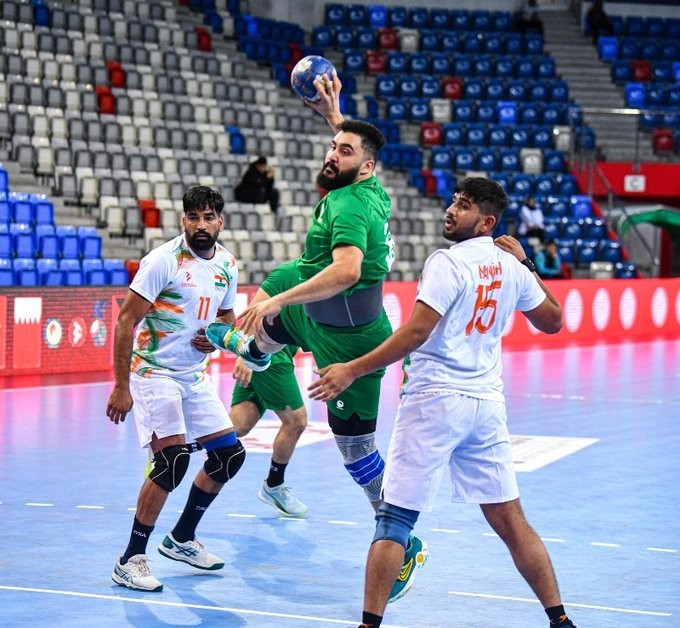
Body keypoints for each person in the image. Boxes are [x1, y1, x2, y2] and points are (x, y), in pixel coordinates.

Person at [308, 178, 577, 628]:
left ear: (486, 222)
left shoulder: (447, 263)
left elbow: (416, 332)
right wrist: (527, 264)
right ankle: (561, 620)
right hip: (485, 406)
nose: (451, 210)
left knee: (394, 520)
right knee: (511, 521)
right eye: (453, 201)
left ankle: (368, 625)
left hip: (434, 402)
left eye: (464, 205)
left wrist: (352, 369)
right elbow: (553, 320)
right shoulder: (511, 267)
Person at [205, 70, 428, 602]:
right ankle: (257, 351)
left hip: (350, 341)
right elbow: (356, 151)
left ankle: (402, 539)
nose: (333, 154)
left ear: (364, 166)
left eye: (343, 151)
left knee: (356, 452)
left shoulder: (350, 204)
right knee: (269, 317)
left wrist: (279, 300)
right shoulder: (367, 185)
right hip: (316, 310)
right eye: (333, 146)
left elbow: (347, 271)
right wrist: (335, 115)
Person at [106, 185, 246, 592]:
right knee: (171, 462)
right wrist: (120, 386)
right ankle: (130, 560)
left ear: (220, 222)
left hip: (194, 375)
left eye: (208, 217)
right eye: (193, 217)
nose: (200, 225)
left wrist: (218, 338)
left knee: (229, 456)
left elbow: (227, 317)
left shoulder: (227, 264)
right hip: (154, 373)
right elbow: (125, 321)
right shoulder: (163, 261)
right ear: (183, 220)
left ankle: (182, 538)